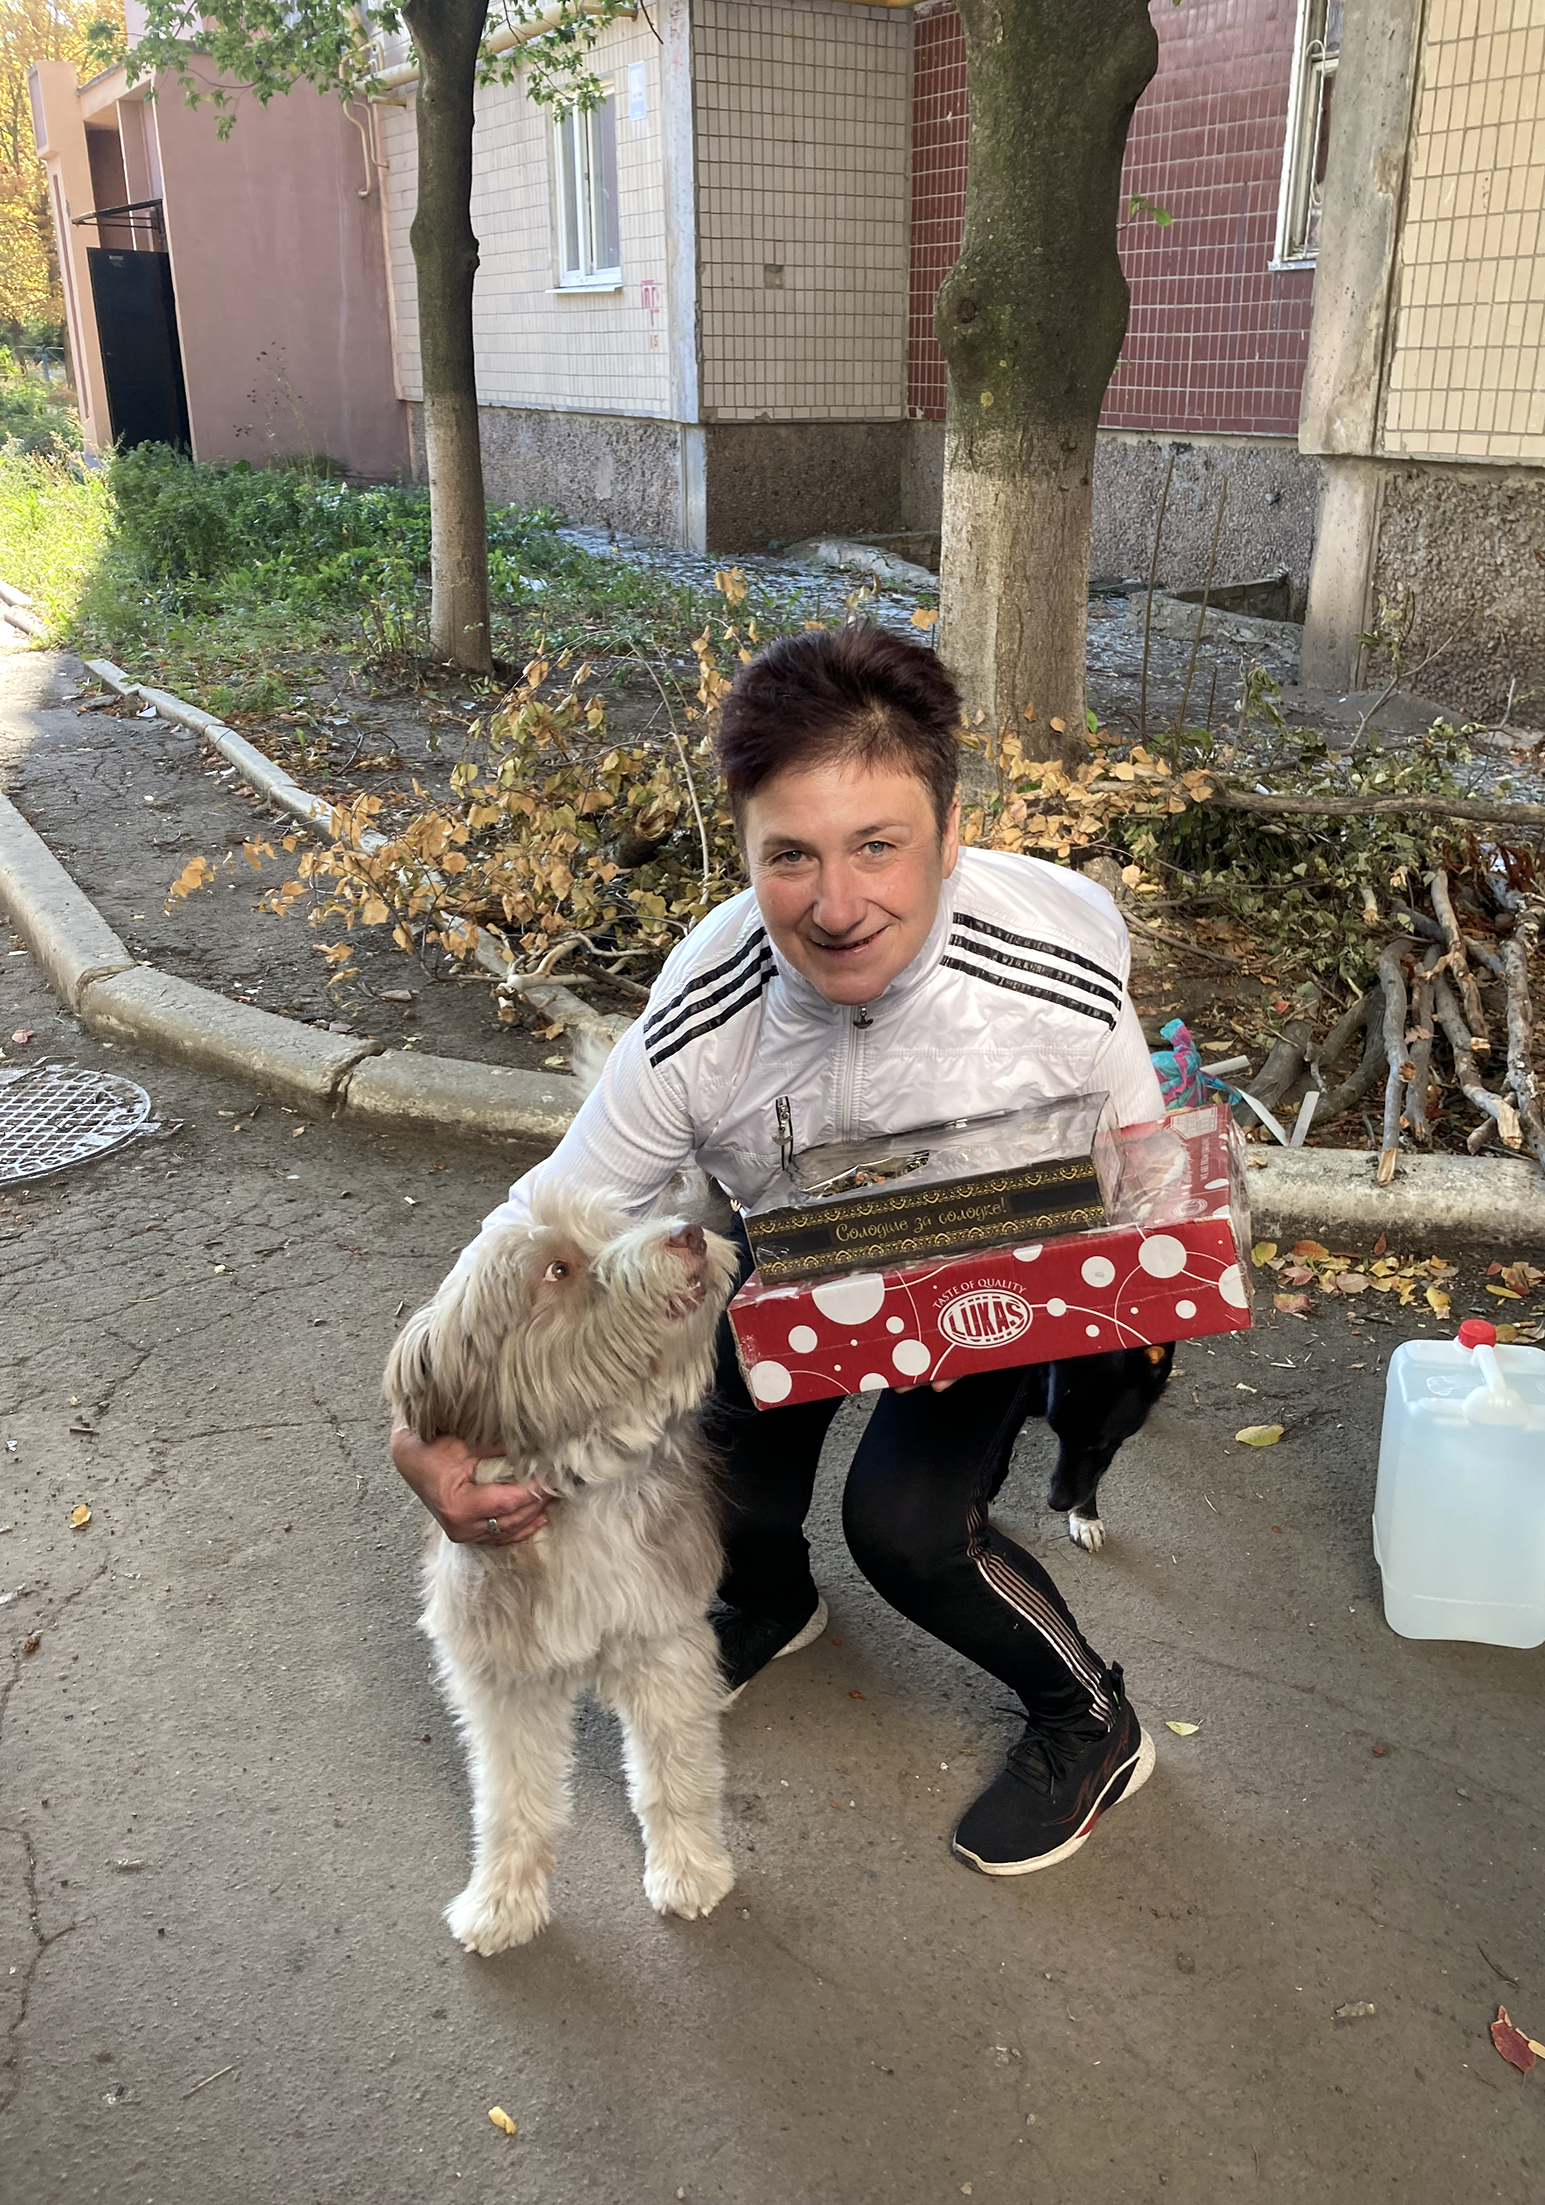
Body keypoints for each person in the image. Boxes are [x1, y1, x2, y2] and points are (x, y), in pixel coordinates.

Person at [392, 625, 1165, 1877]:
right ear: (744, 849)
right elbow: (549, 1208)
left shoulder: (1057, 976)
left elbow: (1147, 1184)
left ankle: (1092, 1717)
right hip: (796, 1237)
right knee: (712, 1475)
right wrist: (422, 1424)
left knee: (907, 1528)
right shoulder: (707, 1004)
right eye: (789, 856)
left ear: (949, 832)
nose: (837, 905)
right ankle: (774, 1599)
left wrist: (1090, 1324)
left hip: (993, 1247)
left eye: (877, 846)